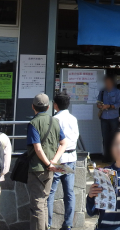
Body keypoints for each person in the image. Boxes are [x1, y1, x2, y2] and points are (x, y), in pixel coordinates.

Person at [27, 93, 69, 230]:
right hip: (51, 168)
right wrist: (53, 162)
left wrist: (47, 163)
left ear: (33, 107)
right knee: (44, 202)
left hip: (37, 168)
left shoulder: (33, 123)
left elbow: (38, 148)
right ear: (48, 107)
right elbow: (64, 143)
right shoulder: (54, 121)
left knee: (37, 204)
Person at [48, 92, 80, 230]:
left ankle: (48, 224)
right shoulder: (73, 119)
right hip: (71, 157)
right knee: (69, 192)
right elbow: (76, 136)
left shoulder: (54, 119)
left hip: (58, 158)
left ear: (55, 105)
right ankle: (68, 224)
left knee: (50, 192)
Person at [98, 74, 120, 162]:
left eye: (108, 82)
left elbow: (118, 104)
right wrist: (99, 106)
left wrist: (109, 106)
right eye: (105, 82)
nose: (107, 84)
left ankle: (114, 157)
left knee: (114, 138)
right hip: (104, 117)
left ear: (112, 82)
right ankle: (106, 156)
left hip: (114, 117)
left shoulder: (117, 92)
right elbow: (98, 102)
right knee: (105, 138)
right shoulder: (102, 91)